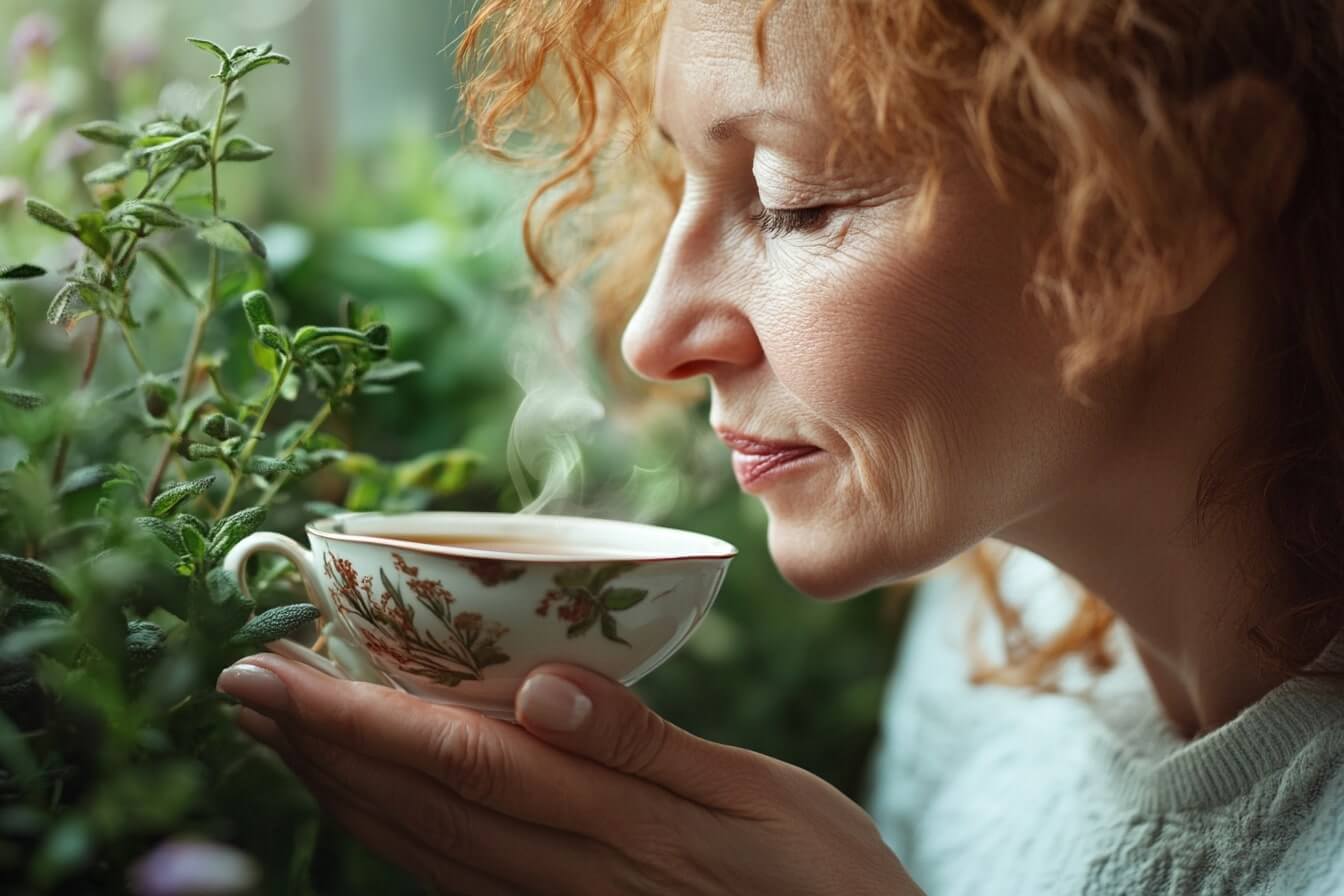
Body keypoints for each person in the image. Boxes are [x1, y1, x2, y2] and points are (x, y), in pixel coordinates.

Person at [216, 1, 1344, 892]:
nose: (654, 338)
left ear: (1185, 197)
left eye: (790, 198)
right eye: (683, 183)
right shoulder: (993, 630)